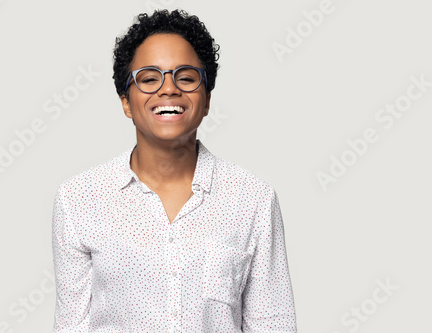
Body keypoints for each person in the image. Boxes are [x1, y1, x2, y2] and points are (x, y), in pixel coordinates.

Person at [52, 9, 297, 332]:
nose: (168, 90)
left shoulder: (252, 198)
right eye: (150, 78)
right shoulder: (79, 199)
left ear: (206, 99)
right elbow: (71, 326)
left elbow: (273, 324)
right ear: (126, 101)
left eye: (185, 77)